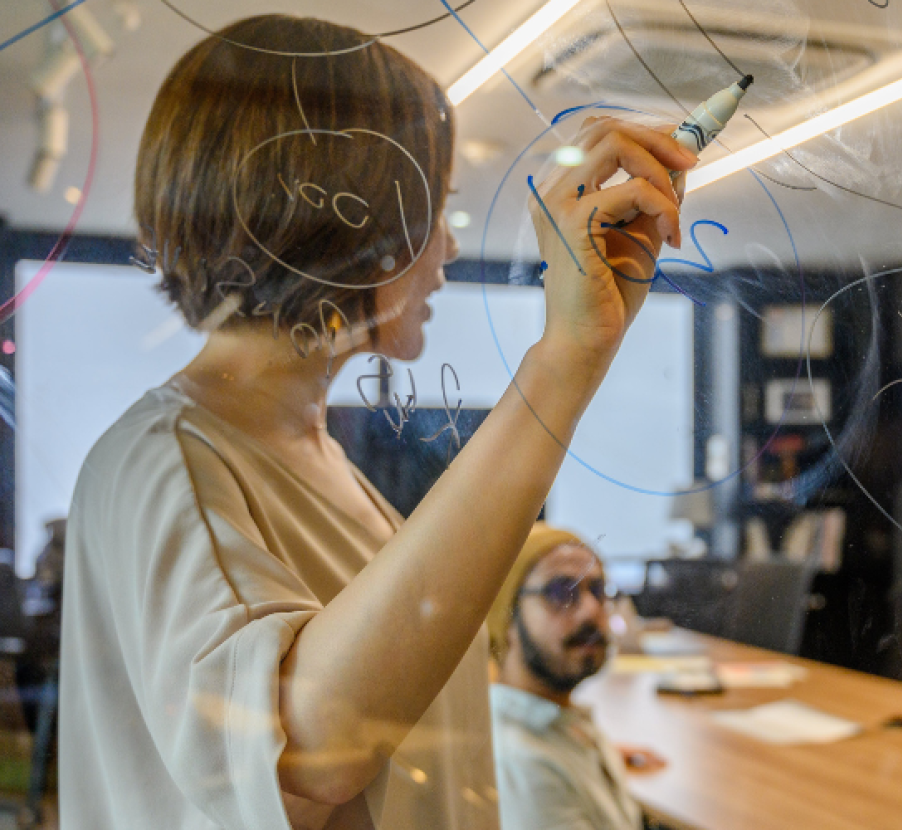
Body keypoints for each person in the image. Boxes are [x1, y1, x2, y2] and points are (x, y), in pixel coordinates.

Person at [58, 14, 694, 830]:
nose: (447, 249)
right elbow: (312, 745)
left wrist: (575, 350)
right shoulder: (168, 460)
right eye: (433, 210)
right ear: (345, 221)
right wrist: (565, 357)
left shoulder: (311, 460)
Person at [488, 524, 663, 830]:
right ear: (507, 618)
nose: (591, 611)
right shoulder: (523, 766)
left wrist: (597, 754)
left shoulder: (555, 721)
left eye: (597, 590)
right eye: (561, 592)